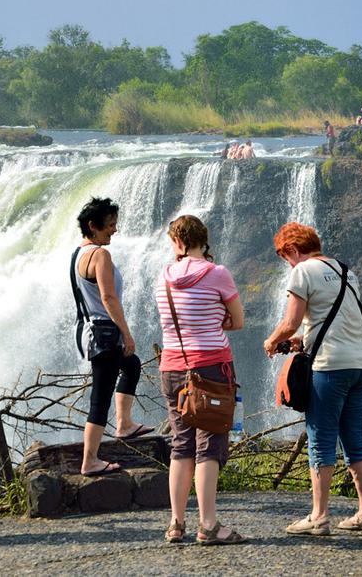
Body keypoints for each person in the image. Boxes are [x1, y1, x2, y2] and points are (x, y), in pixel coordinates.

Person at [264, 222, 362, 536]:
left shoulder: (303, 271)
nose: (288, 264)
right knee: (355, 438)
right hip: (361, 363)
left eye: (286, 257)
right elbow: (342, 319)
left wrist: (272, 340)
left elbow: (289, 322)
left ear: (293, 250)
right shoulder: (345, 271)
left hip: (329, 367)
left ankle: (319, 516)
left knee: (320, 439)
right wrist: (307, 338)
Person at [156, 215, 247, 545]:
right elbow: (237, 321)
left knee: (181, 445)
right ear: (201, 241)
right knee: (209, 444)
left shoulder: (163, 277)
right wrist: (215, 318)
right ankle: (208, 525)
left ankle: (175, 523)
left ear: (178, 243)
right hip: (210, 368)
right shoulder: (217, 273)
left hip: (172, 367)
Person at [72, 198, 151, 477]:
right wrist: (126, 333)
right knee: (100, 397)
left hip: (90, 332)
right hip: (105, 334)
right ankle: (90, 460)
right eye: (110, 225)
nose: (114, 230)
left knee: (131, 365)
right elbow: (108, 297)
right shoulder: (100, 256)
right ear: (93, 226)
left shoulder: (77, 256)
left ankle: (124, 423)